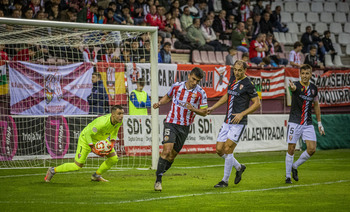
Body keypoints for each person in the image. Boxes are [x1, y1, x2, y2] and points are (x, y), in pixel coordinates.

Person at [153, 67, 208, 191]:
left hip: (184, 127)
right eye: (193, 79)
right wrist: (160, 103)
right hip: (171, 122)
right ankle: (158, 180)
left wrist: (194, 109)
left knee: (172, 157)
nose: (194, 82)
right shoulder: (176, 86)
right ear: (189, 76)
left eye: (197, 81)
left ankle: (159, 172)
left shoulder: (201, 93)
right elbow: (168, 97)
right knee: (166, 150)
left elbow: (204, 112)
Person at [208, 60, 260, 187]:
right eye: (235, 70)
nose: (236, 72)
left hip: (239, 122)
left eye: (239, 70)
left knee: (228, 148)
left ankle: (224, 181)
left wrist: (242, 114)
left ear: (245, 70)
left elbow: (257, 103)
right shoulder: (232, 78)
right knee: (219, 150)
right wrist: (213, 107)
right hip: (227, 120)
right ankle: (239, 167)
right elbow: (227, 96)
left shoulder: (248, 84)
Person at [44, 105, 124, 182]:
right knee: (77, 166)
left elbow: (114, 131)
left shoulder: (119, 121)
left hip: (99, 140)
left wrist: (112, 144)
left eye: (122, 113)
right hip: (86, 139)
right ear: (113, 114)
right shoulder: (102, 123)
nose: (121, 116)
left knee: (114, 158)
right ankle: (52, 170)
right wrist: (93, 148)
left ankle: (96, 176)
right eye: (119, 114)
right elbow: (87, 134)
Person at [285, 64, 325, 184]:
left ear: (311, 74)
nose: (305, 76)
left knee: (312, 149)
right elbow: (293, 89)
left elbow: (316, 105)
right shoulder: (296, 85)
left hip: (308, 123)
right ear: (300, 74)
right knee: (291, 148)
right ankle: (287, 177)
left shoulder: (314, 88)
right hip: (294, 122)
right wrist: (291, 88)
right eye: (303, 73)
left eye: (307, 73)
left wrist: (319, 123)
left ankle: (295, 166)